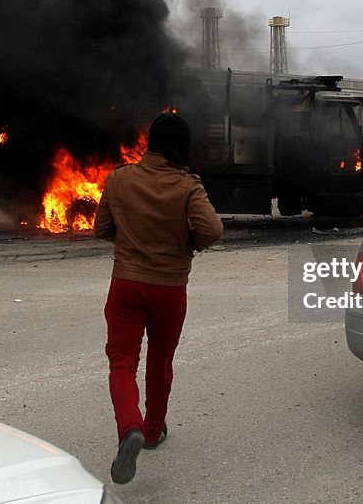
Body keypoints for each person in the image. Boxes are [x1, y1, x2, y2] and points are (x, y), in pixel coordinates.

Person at [93, 112, 223, 485]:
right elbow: (212, 230)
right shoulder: (187, 187)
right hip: (170, 289)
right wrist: (188, 246)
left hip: (126, 286)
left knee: (121, 362)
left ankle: (128, 427)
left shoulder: (119, 179)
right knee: (160, 360)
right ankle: (151, 431)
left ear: (150, 143)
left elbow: (101, 228)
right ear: (182, 147)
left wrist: (129, 243)